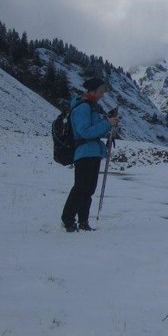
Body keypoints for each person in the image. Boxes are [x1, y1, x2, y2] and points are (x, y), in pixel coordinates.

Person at [61, 77, 120, 232]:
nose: (102, 94)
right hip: (84, 152)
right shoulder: (83, 107)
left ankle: (83, 222)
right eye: (100, 91)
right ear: (93, 90)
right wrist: (108, 123)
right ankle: (68, 221)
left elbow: (92, 127)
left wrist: (107, 121)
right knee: (81, 187)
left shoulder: (91, 107)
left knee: (88, 189)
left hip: (92, 152)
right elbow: (85, 131)